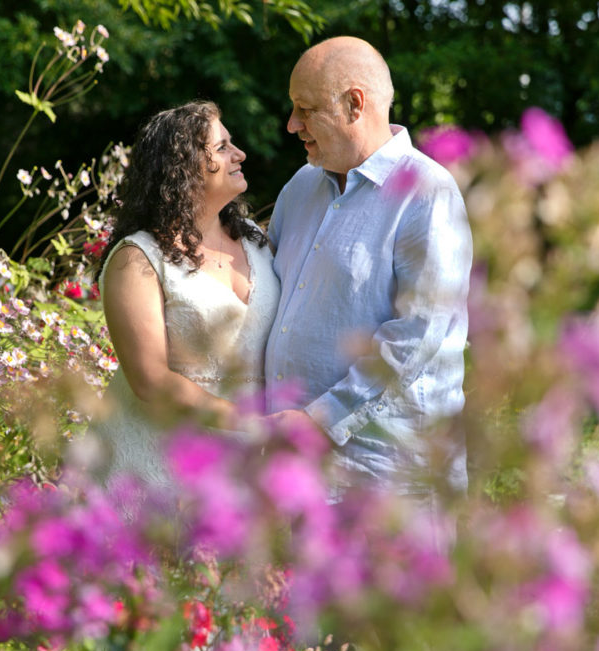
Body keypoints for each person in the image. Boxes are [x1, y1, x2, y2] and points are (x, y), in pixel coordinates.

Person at [264, 37, 472, 496]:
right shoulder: (299, 187)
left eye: (305, 108)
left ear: (354, 104)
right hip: (294, 466)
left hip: (388, 476)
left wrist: (317, 422)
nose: (291, 124)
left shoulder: (427, 192)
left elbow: (415, 336)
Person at [95, 101, 280, 488]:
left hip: (244, 465)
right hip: (158, 463)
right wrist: (246, 422)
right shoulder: (139, 258)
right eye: (221, 147)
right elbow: (150, 380)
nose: (239, 153)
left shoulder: (256, 239)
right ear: (182, 168)